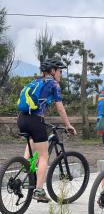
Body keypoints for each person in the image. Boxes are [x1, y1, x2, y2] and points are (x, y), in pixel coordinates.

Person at [17, 58, 77, 202]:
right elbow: (59, 106)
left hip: (22, 119)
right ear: (53, 71)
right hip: (35, 120)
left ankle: (24, 175)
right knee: (44, 156)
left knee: (32, 142)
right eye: (60, 71)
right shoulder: (53, 84)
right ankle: (38, 190)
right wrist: (68, 125)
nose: (61, 74)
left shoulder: (35, 82)